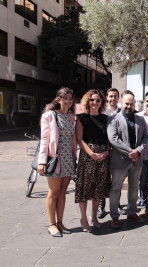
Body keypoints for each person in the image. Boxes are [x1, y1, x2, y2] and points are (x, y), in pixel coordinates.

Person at [37, 87, 77, 237]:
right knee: (53, 192)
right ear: (58, 99)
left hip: (68, 158)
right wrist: (42, 161)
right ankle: (52, 224)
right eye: (65, 98)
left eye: (70, 98)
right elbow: (44, 140)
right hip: (55, 158)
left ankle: (60, 222)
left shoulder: (71, 117)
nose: (68, 101)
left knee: (62, 193)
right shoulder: (49, 115)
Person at [107, 91, 148, 229]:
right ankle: (114, 216)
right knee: (115, 189)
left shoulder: (140, 119)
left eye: (131, 103)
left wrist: (138, 151)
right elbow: (113, 139)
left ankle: (131, 212)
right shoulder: (113, 119)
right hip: (120, 160)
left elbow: (145, 138)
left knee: (133, 187)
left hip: (137, 160)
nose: (129, 106)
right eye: (126, 103)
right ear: (122, 103)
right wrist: (130, 151)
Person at [75, 89, 111, 232]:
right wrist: (91, 154)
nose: (95, 103)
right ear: (87, 101)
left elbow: (109, 138)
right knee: (84, 189)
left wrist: (107, 151)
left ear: (102, 102)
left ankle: (94, 217)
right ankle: (84, 219)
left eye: (98, 100)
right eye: (92, 100)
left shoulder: (105, 118)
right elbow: (79, 139)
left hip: (103, 157)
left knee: (98, 189)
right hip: (87, 157)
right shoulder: (81, 118)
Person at [97, 88, 125, 219]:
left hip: (118, 151)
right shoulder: (102, 112)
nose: (113, 99)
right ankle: (100, 207)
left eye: (115, 96)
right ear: (107, 98)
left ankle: (116, 205)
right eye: (111, 96)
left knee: (117, 180)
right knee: (103, 178)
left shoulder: (122, 111)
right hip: (104, 150)